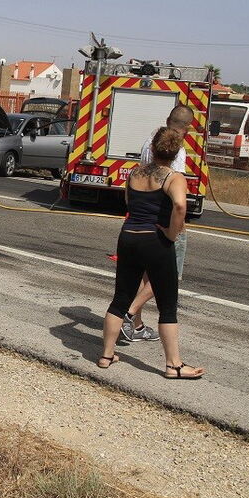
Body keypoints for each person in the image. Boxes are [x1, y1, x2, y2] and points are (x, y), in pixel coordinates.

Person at [98, 127, 204, 379]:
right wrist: (172, 233)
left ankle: (106, 355)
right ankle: (174, 365)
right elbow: (180, 205)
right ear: (176, 152)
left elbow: (128, 201)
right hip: (155, 240)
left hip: (128, 237)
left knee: (120, 298)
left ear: (152, 148)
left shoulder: (135, 173)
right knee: (167, 304)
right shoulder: (174, 178)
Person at [120, 105, 195, 342]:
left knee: (143, 275)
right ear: (188, 128)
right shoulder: (177, 150)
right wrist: (175, 229)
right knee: (167, 274)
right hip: (162, 222)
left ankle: (136, 326)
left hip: (139, 220)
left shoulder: (150, 142)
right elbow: (177, 197)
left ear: (167, 119)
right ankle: (129, 313)